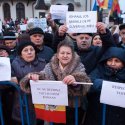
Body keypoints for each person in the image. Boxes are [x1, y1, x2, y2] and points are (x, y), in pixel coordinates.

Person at [20, 40, 91, 125]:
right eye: (62, 53)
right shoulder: (49, 66)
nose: (65, 56)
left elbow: (84, 81)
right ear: (57, 55)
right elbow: (42, 75)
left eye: (68, 53)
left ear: (72, 55)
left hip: (71, 108)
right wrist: (34, 76)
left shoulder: (79, 66)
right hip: (54, 108)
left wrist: (75, 80)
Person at [84, 47, 125, 125]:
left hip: (119, 117)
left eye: (117, 61)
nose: (113, 63)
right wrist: (104, 85)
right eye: (110, 60)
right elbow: (89, 82)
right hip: (97, 115)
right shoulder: (99, 70)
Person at [11, 41, 46, 125]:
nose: (29, 52)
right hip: (22, 102)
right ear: (20, 54)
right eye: (25, 50)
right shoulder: (14, 63)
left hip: (40, 102)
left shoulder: (43, 63)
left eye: (31, 49)